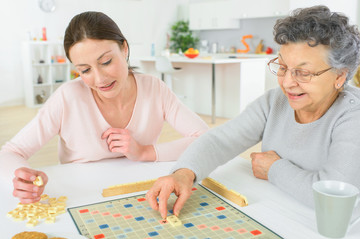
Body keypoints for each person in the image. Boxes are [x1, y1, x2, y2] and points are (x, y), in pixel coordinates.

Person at [146, 5, 360, 220]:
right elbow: (221, 140)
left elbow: (335, 198)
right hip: (275, 212)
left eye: (303, 73)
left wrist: (274, 168)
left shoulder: (353, 116)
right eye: (283, 67)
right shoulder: (275, 101)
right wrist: (183, 173)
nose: (286, 83)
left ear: (340, 76)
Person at [0, 11, 209, 203]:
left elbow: (205, 139)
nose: (100, 79)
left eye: (106, 61)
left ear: (124, 48)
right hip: (81, 199)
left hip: (143, 194)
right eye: (85, 70)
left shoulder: (154, 88)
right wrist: (22, 177)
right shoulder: (67, 98)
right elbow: (11, 152)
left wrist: (145, 152)